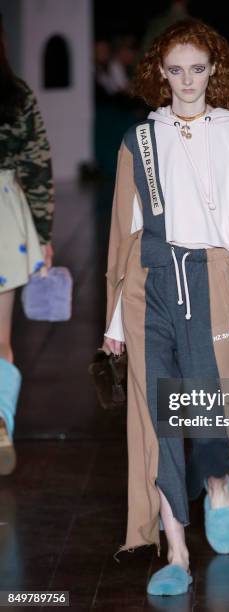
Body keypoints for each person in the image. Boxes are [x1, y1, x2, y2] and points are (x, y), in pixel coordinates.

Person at [103, 17, 229, 596]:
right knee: (154, 413)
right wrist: (114, 320)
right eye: (176, 70)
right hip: (150, 282)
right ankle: (175, 550)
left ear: (214, 70)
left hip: (212, 275)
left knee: (211, 391)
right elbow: (126, 233)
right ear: (160, 73)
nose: (187, 80)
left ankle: (220, 480)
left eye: (198, 69)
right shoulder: (140, 139)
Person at [0, 14, 54, 475]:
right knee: (2, 341)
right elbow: (37, 168)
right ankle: (0, 418)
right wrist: (45, 234)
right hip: (5, 217)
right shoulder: (15, 95)